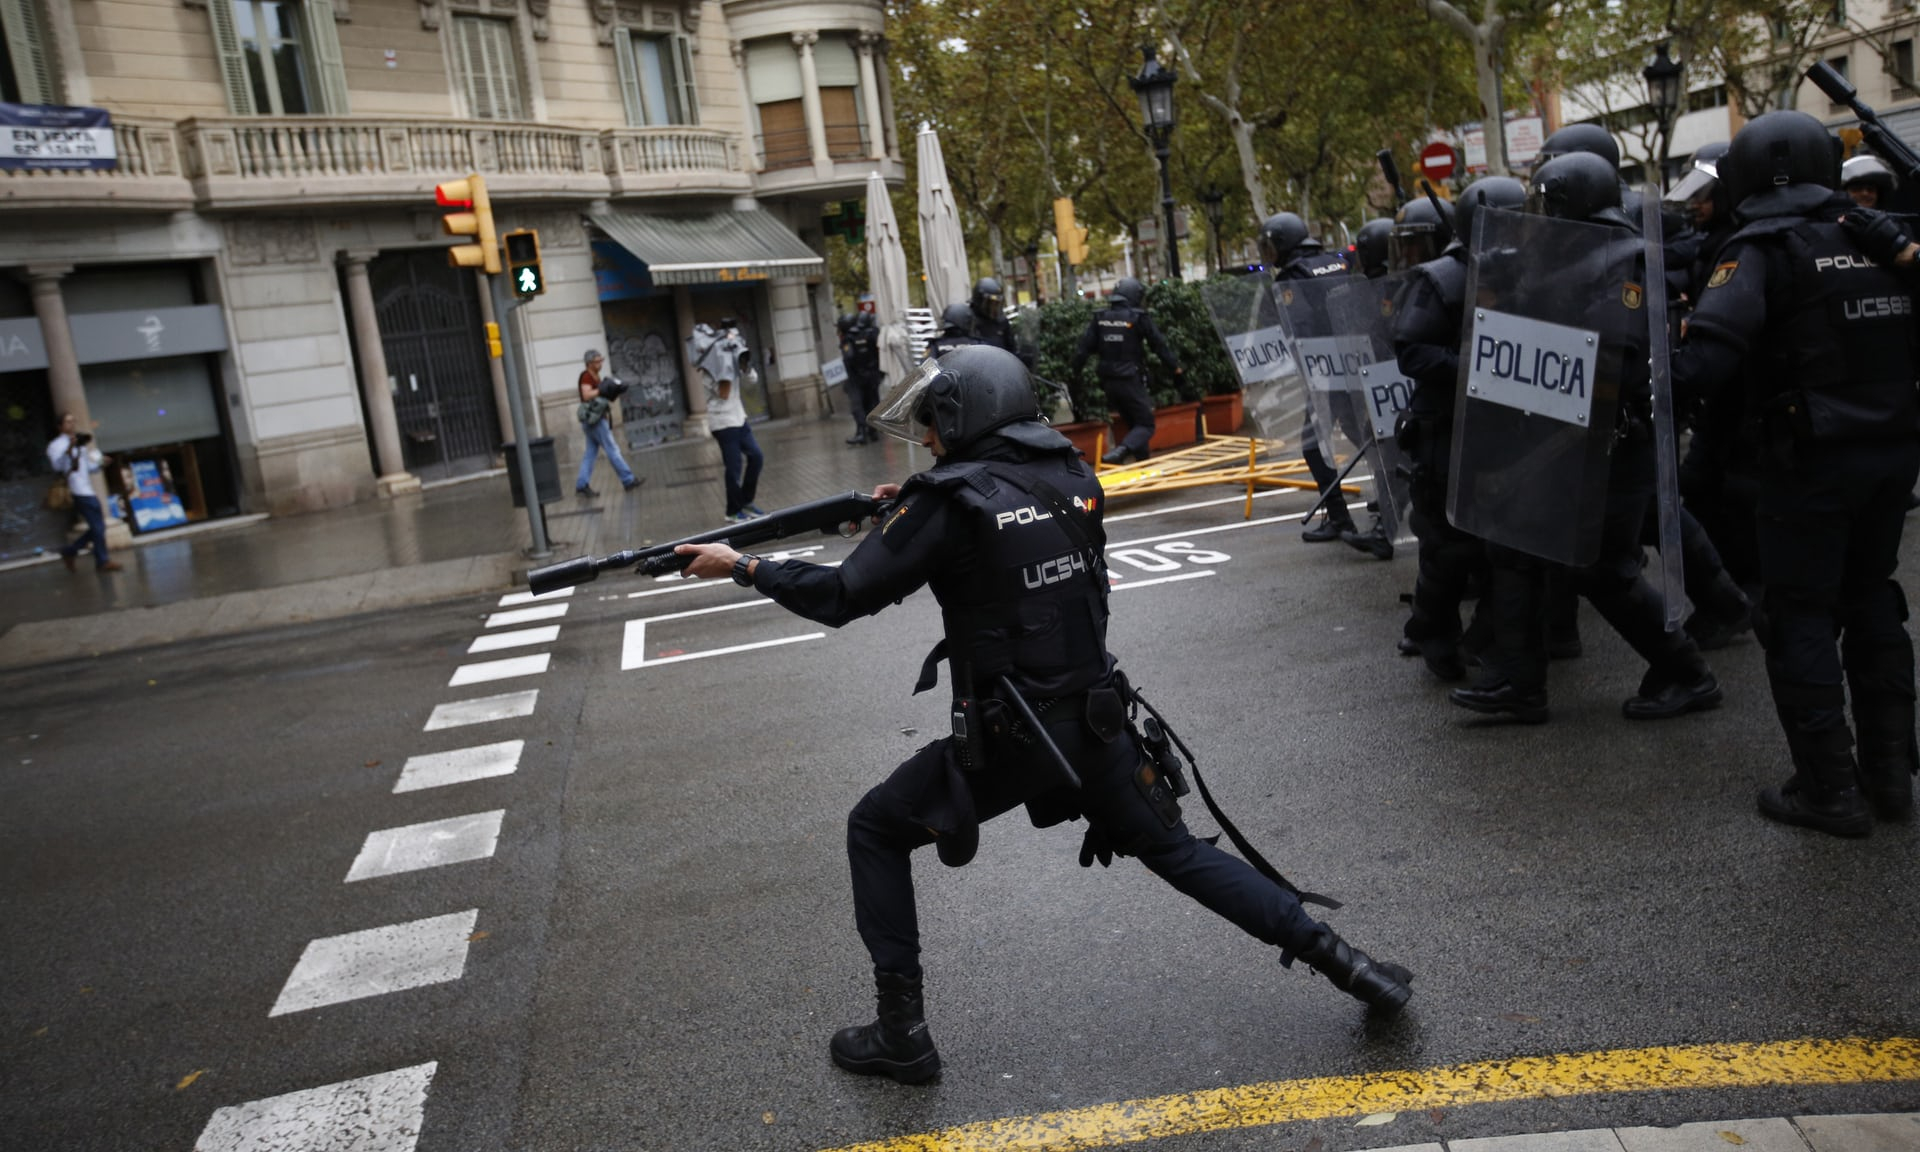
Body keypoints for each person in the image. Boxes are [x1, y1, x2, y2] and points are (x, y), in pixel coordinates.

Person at [672, 345, 1414, 1084]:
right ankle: (1351, 967)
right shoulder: (1070, 473)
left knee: (873, 828)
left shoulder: (948, 503)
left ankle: (901, 1033)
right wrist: (910, 507)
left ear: (967, 416)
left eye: (935, 423)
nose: (929, 438)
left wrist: (743, 564)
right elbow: (1001, 526)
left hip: (1013, 736)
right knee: (1181, 854)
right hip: (1099, 720)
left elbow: (842, 596)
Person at [1676, 110, 1920, 834]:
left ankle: (1828, 791)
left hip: (1806, 460)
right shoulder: (1884, 239)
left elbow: (1707, 363)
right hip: (1894, 454)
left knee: (1800, 612)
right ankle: (1889, 778)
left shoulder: (1760, 249)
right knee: (1873, 596)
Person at [1450, 152, 1721, 725]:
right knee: (1516, 545)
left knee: (1604, 570)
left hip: (1611, 444)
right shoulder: (1564, 254)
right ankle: (1519, 684)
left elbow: (1615, 355)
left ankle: (1689, 672)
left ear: (1564, 202)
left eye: (1545, 203)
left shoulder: (1624, 260)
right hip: (1557, 436)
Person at [1390, 178, 1520, 680]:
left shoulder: (1530, 274)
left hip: (1507, 431)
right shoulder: (1439, 280)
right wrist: (1480, 367)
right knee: (1446, 545)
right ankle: (1435, 635)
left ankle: (1484, 638)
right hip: (1447, 428)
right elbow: (1413, 351)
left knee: (1507, 547)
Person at [1262, 211, 1358, 544]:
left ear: (1285, 244)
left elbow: (1298, 328)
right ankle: (1400, 493)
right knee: (1363, 434)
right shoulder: (1337, 262)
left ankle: (1341, 518)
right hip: (1359, 362)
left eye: (1271, 246)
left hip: (1325, 372)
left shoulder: (1291, 278)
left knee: (1314, 445)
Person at [1068, 277, 1180, 465]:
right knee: (1146, 424)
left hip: (1108, 381)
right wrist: (1175, 368)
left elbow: (1083, 349)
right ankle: (1120, 452)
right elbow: (1159, 345)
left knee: (1134, 423)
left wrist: (1073, 374)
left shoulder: (1101, 317)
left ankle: (1143, 463)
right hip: (1130, 378)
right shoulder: (1137, 317)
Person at [687, 319, 766, 523]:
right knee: (734, 467)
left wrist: (743, 364)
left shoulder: (731, 361)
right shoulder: (709, 370)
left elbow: (752, 381)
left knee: (756, 457)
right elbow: (724, 392)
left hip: (739, 418)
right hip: (722, 423)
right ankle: (732, 510)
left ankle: (746, 501)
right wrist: (727, 366)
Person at [47, 412, 121, 573]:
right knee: (98, 526)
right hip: (76, 490)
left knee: (98, 526)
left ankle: (70, 551)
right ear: (60, 426)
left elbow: (88, 468)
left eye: (73, 421)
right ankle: (102, 561)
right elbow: (57, 466)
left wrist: (102, 464)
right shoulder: (56, 445)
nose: (72, 425)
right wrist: (68, 450)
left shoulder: (80, 444)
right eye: (67, 422)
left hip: (87, 488)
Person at [575, 350, 641, 497]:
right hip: (596, 421)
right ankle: (628, 480)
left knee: (590, 454)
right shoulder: (586, 376)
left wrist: (613, 390)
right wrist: (602, 389)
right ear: (589, 363)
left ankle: (581, 484)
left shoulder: (595, 376)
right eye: (597, 361)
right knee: (612, 449)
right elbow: (586, 394)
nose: (600, 364)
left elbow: (600, 393)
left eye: (601, 360)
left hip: (594, 420)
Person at [841, 298, 883, 446]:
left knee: (857, 405)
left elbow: (848, 358)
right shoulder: (873, 334)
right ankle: (873, 431)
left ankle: (861, 432)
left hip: (857, 378)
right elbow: (879, 353)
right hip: (871, 376)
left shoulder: (850, 338)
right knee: (872, 402)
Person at [968, 277, 1016, 352]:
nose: (994, 309)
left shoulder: (1002, 322)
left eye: (996, 304)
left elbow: (1012, 349)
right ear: (979, 300)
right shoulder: (968, 321)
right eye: (991, 304)